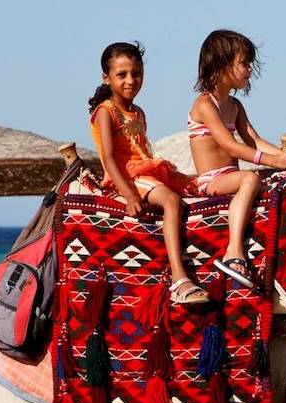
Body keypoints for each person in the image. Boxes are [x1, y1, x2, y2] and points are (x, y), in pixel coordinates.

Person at [88, 42, 207, 305]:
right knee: (171, 201)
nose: (131, 80)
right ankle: (179, 278)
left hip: (146, 172)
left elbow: (142, 149)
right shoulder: (105, 112)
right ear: (106, 78)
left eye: (137, 74)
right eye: (122, 75)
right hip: (126, 177)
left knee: (196, 189)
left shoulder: (138, 112)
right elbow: (109, 158)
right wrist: (130, 195)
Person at [187, 30, 286, 290]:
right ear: (222, 64)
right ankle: (234, 251)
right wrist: (273, 161)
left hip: (232, 177)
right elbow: (230, 146)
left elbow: (254, 140)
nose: (250, 69)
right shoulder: (205, 104)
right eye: (244, 63)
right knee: (250, 178)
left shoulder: (235, 106)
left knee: (282, 180)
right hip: (212, 180)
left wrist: (284, 158)